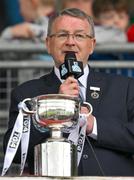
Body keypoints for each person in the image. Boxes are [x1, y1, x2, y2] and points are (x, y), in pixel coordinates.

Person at [3, 8, 134, 176]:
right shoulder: (26, 93)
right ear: (48, 44)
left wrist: (93, 125)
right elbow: (13, 152)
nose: (70, 42)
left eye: (79, 35)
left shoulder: (124, 87)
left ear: (92, 45)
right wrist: (55, 110)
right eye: (62, 35)